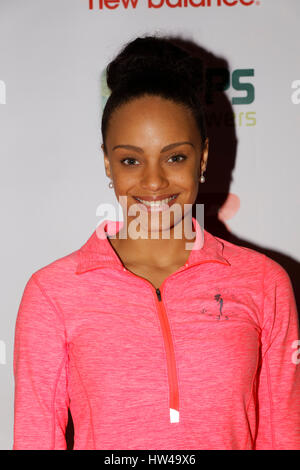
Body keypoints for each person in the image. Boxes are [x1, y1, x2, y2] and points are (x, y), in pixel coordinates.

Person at [13, 35, 300, 450]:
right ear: (107, 162)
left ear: (202, 159)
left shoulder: (264, 283)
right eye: (131, 159)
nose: (153, 181)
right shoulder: (53, 293)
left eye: (175, 157)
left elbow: (283, 437)